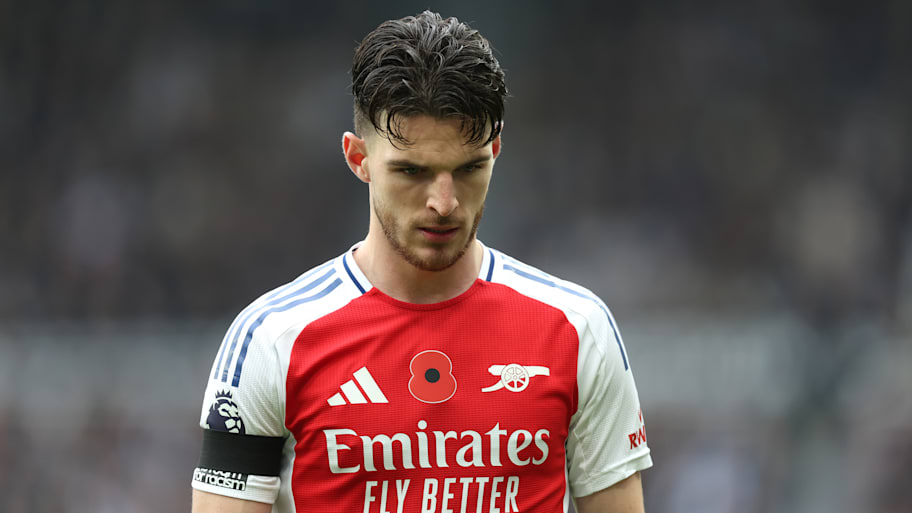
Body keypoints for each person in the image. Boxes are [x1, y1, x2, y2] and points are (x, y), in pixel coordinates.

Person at [191, 11, 652, 513]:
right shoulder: (271, 340)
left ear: (496, 151)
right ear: (358, 159)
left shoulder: (577, 330)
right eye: (412, 171)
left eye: (469, 168)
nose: (444, 203)